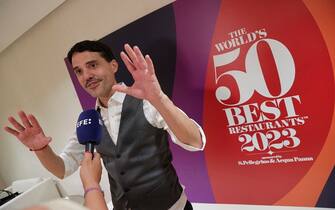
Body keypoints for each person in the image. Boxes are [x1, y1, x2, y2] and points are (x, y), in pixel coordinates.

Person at [4, 40, 206, 210]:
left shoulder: (147, 102)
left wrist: (159, 99)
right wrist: (40, 148)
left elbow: (195, 141)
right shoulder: (88, 120)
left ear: (113, 66)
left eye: (93, 65)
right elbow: (62, 169)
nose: (86, 76)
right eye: (79, 71)